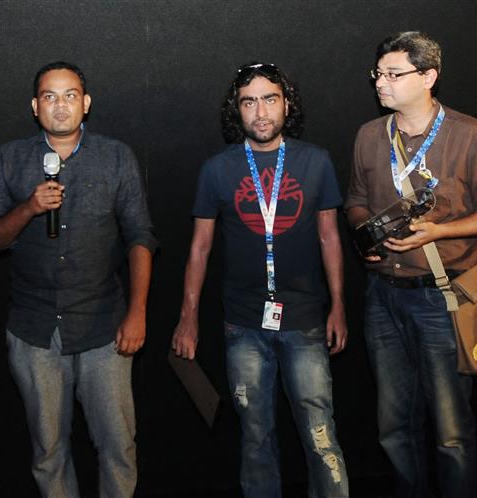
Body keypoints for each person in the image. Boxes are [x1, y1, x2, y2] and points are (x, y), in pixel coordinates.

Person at [0, 61, 157, 498]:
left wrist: (137, 312)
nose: (60, 105)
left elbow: (141, 237)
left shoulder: (116, 157)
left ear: (86, 103)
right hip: (35, 330)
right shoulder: (11, 158)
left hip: (103, 326)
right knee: (48, 450)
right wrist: (28, 209)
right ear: (35, 106)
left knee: (118, 446)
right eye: (50, 96)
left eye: (70, 95)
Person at [345, 32, 477, 498]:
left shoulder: (469, 134)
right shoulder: (369, 135)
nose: (382, 82)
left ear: (429, 77)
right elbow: (355, 200)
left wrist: (439, 231)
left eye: (394, 74)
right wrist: (367, 233)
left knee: (451, 431)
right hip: (383, 297)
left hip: (444, 297)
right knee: (393, 427)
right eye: (378, 73)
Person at [171, 62, 349, 498]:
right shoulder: (217, 169)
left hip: (306, 319)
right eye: (249, 101)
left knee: (320, 431)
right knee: (255, 436)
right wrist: (187, 316)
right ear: (238, 109)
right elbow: (199, 248)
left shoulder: (316, 161)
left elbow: (330, 237)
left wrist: (339, 306)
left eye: (270, 99)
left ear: (286, 104)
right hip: (243, 323)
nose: (261, 111)